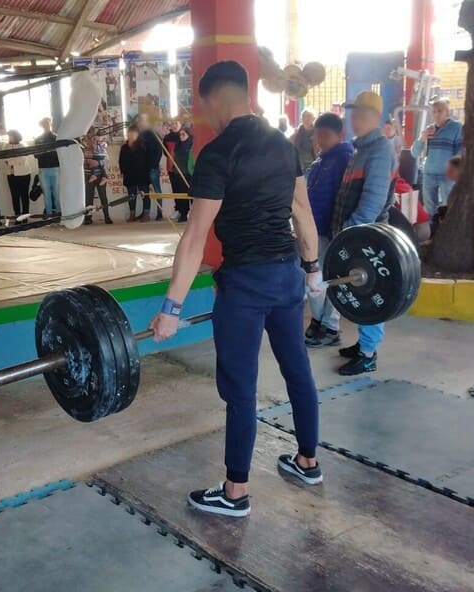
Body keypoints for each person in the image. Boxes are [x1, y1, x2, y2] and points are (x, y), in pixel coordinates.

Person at [147, 60, 322, 518]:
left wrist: (171, 307)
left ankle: (235, 493)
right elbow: (302, 215)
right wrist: (313, 269)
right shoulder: (285, 146)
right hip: (287, 275)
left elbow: (195, 236)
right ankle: (308, 462)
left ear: (213, 100)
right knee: (297, 368)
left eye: (202, 106)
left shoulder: (218, 153)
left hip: (245, 284)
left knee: (241, 389)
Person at [332, 91, 396, 376]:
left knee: (369, 294)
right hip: (356, 236)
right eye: (352, 114)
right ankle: (363, 345)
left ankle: (368, 355)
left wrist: (350, 234)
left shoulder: (380, 151)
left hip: (367, 238)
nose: (353, 119)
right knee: (358, 291)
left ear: (374, 117)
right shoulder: (361, 150)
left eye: (359, 114)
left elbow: (372, 201)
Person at [304, 112, 353, 348]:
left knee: (331, 278)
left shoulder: (345, 159)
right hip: (312, 230)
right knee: (312, 278)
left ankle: (331, 326)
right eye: (317, 135)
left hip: (331, 231)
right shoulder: (320, 161)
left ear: (340, 135)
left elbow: (345, 198)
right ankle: (318, 320)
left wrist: (339, 229)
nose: (320, 140)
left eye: (326, 135)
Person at [411, 97, 463, 219]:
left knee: (448, 207)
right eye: (434, 111)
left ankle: (447, 232)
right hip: (429, 173)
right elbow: (414, 152)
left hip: (447, 175)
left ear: (447, 112)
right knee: (429, 209)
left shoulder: (456, 127)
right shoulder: (429, 129)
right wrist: (423, 137)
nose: (437, 114)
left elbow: (460, 151)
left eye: (440, 111)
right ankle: (431, 234)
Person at [119, 125, 151, 222]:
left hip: (142, 174)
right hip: (129, 175)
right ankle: (132, 214)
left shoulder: (143, 145)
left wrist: (147, 171)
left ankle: (146, 214)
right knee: (131, 196)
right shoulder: (124, 147)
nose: (132, 135)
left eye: (134, 133)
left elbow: (148, 160)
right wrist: (123, 171)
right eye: (130, 133)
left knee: (144, 194)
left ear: (138, 134)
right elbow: (121, 161)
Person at [137, 113, 164, 220]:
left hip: (152, 168)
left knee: (157, 190)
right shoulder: (140, 134)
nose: (140, 123)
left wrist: (153, 166)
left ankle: (160, 212)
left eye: (142, 120)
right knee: (144, 191)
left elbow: (158, 151)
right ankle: (146, 212)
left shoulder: (153, 134)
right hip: (142, 169)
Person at [82, 134, 112, 225]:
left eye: (94, 139)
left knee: (103, 196)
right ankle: (88, 218)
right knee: (88, 197)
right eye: (91, 139)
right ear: (87, 139)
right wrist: (88, 161)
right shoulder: (82, 148)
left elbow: (106, 159)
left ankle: (107, 217)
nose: (92, 141)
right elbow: (78, 161)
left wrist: (98, 162)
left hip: (100, 175)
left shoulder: (100, 147)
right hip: (87, 175)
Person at [34, 117, 61, 216]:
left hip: (55, 168)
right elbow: (36, 155)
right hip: (43, 169)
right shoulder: (38, 139)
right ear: (41, 125)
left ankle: (58, 215)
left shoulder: (56, 137)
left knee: (56, 194)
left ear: (50, 124)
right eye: (44, 123)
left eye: (47, 123)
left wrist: (45, 152)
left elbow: (59, 153)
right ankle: (49, 216)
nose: (46, 125)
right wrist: (48, 152)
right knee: (47, 194)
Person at [4, 129, 32, 221]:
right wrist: (12, 160)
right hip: (11, 175)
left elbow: (22, 160)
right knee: (15, 197)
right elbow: (5, 159)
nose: (9, 138)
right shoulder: (6, 146)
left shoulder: (23, 146)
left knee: (24, 196)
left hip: (24, 174)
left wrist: (11, 161)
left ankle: (25, 218)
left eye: (10, 136)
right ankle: (18, 218)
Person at [172, 127, 194, 223]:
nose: (181, 136)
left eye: (183, 134)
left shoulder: (192, 145)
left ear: (188, 135)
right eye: (180, 134)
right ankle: (183, 213)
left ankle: (194, 215)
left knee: (192, 195)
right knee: (182, 194)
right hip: (179, 173)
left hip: (190, 173)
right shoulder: (177, 145)